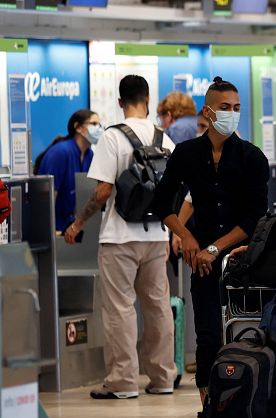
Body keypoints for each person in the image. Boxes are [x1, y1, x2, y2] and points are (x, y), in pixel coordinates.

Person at [153, 77, 270, 405]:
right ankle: (209, 406)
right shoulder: (187, 154)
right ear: (207, 110)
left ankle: (245, 399)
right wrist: (186, 236)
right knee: (207, 334)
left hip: (241, 258)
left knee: (245, 331)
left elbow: (253, 217)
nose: (231, 114)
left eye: (236, 108)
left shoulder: (252, 157)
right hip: (200, 260)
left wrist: (215, 249)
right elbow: (162, 203)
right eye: (224, 108)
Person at [64, 75, 177, 399]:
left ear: (119, 101)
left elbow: (102, 191)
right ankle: (163, 377)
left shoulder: (113, 138)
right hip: (157, 234)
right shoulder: (164, 139)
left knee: (120, 310)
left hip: (119, 236)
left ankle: (123, 381)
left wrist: (78, 223)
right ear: (147, 98)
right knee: (158, 308)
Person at [36, 109, 102, 233]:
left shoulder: (89, 155)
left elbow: (83, 194)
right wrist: (49, 231)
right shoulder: (61, 152)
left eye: (100, 125)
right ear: (78, 127)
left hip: (71, 227)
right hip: (53, 228)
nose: (98, 128)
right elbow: (48, 197)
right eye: (94, 124)